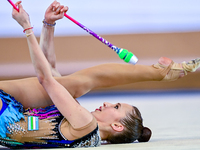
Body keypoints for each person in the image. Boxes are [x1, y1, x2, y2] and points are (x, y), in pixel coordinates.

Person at [0, 0, 200, 148]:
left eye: (116, 106)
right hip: (8, 110)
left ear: (117, 126)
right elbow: (51, 72)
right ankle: (158, 72)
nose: (107, 103)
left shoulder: (85, 125)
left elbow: (45, 80)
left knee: (77, 83)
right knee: (68, 84)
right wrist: (48, 25)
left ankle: (158, 73)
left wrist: (27, 28)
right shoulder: (81, 123)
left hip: (5, 114)